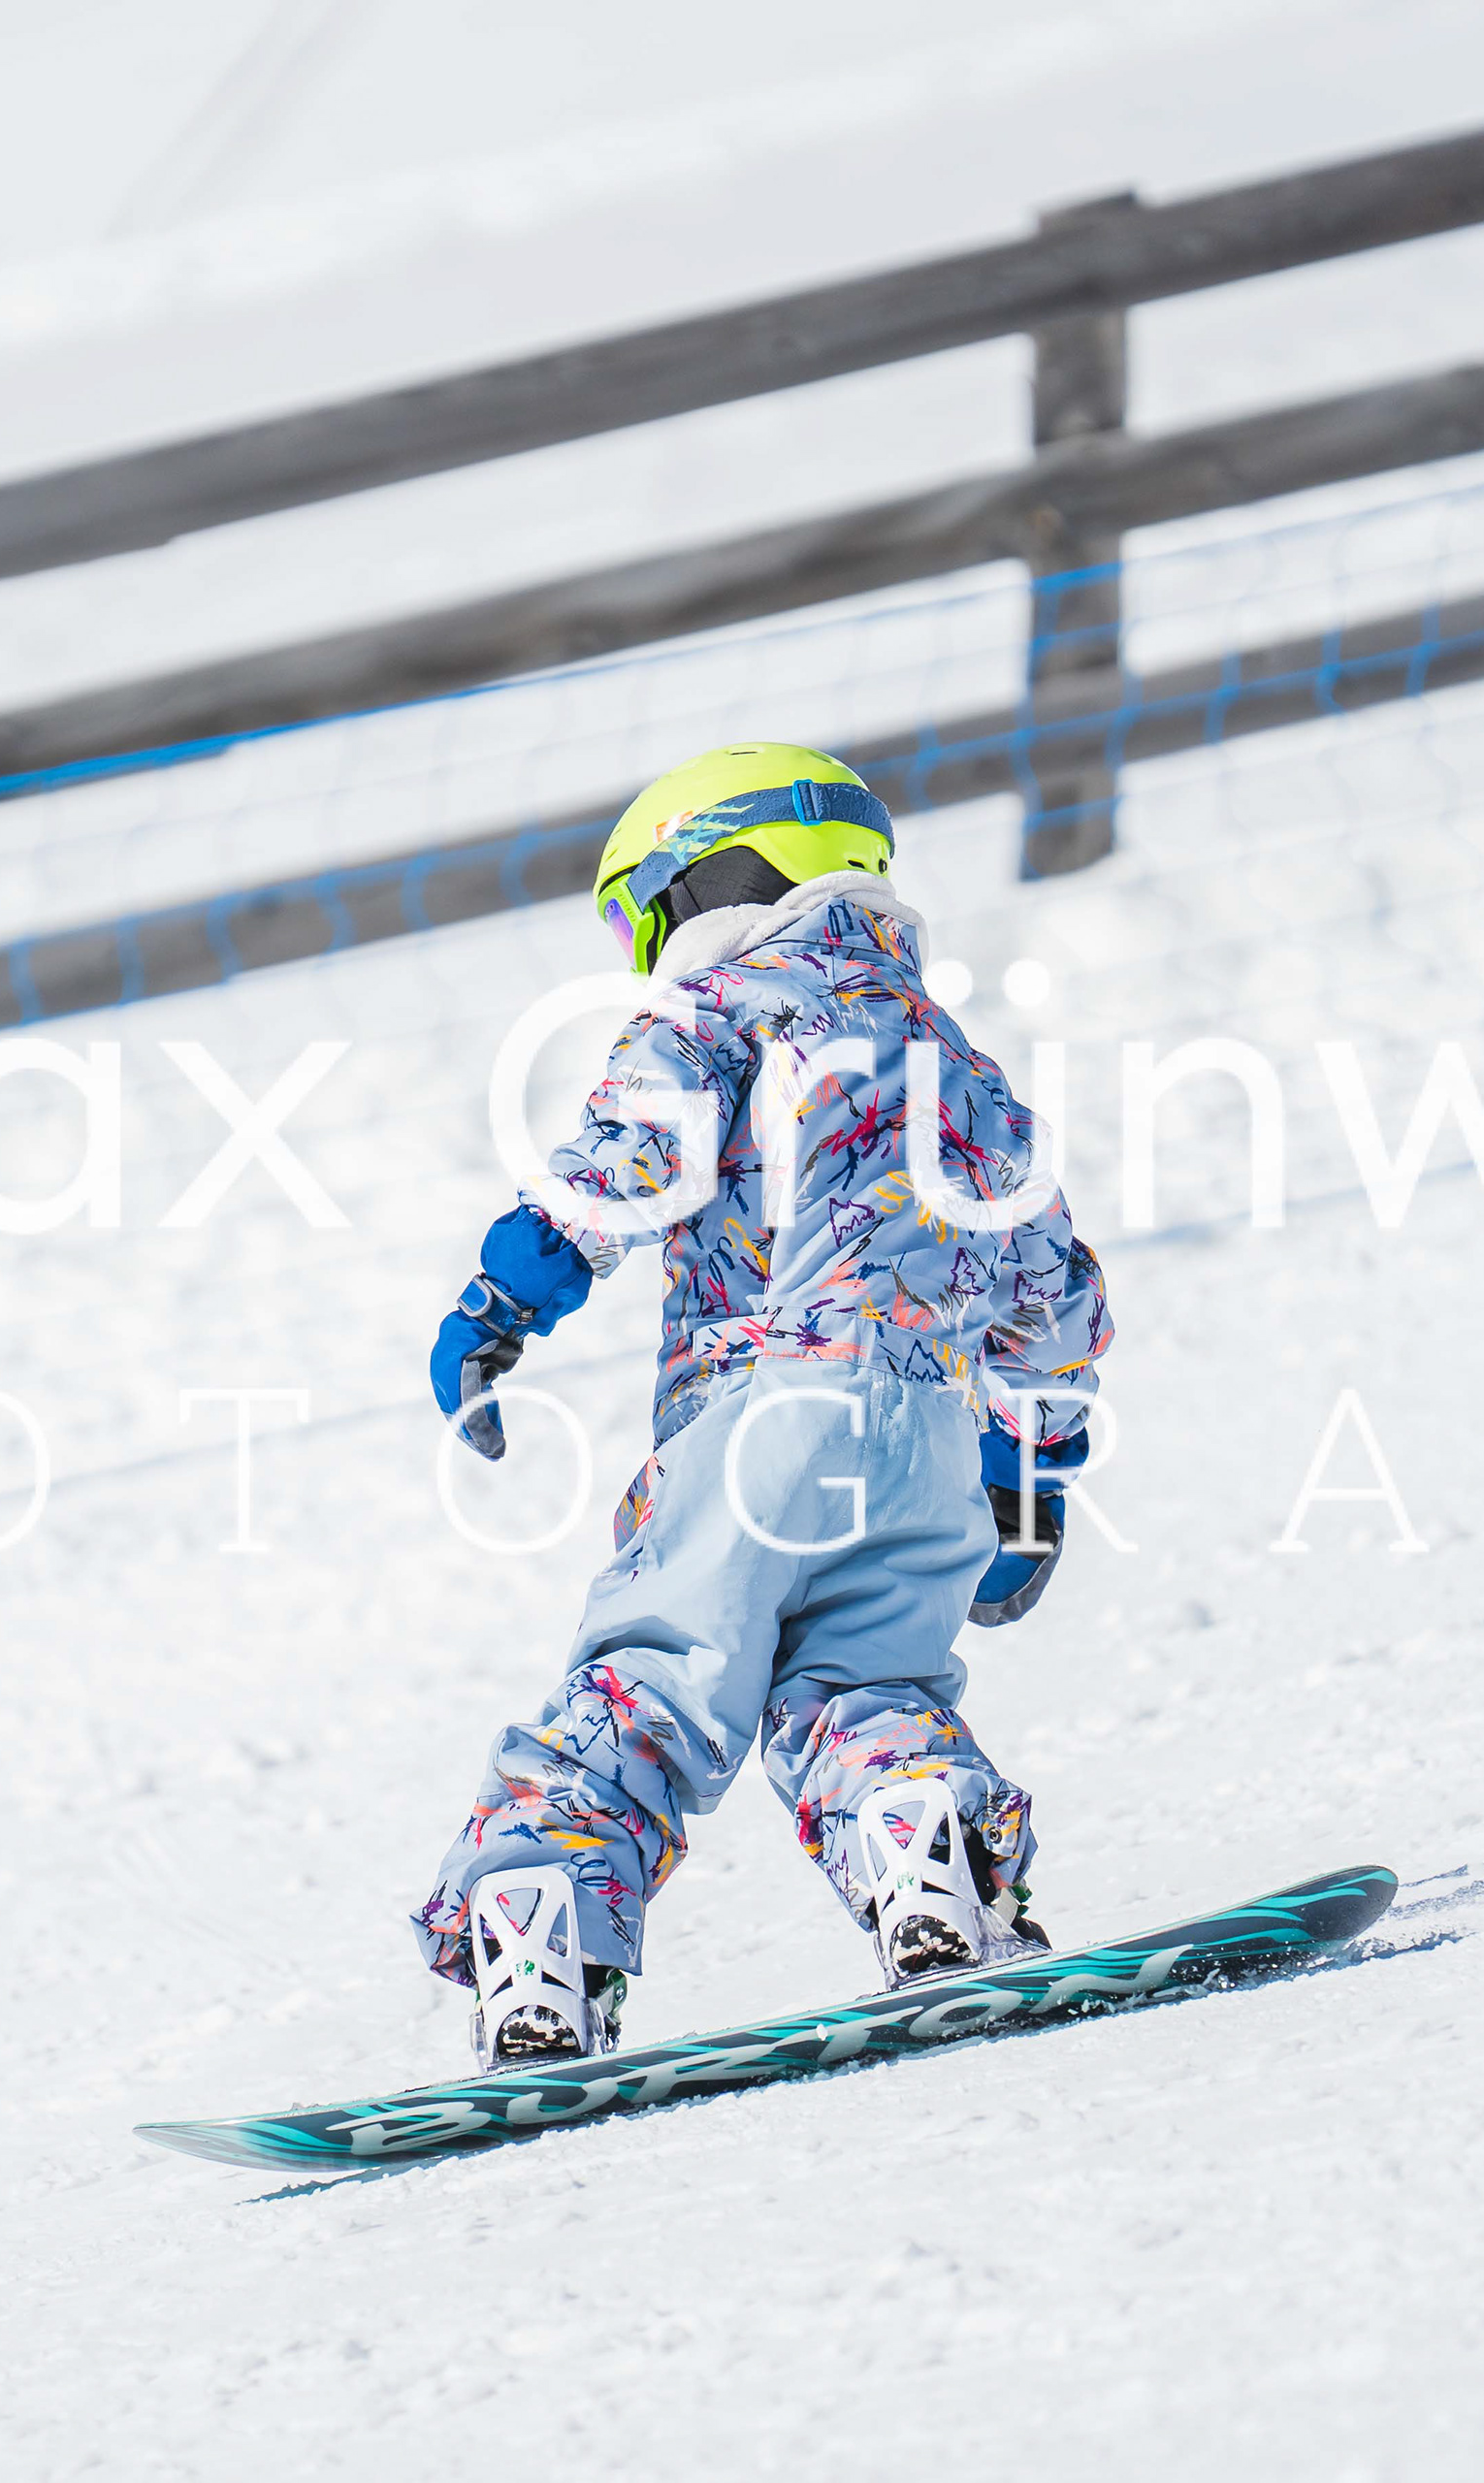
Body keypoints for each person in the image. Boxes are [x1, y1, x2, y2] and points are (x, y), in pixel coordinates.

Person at [411, 743, 1113, 2065]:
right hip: (924, 1442)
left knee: (653, 1689)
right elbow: (1051, 1281)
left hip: (756, 1419)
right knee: (866, 1682)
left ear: (698, 882)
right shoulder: (954, 1059)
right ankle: (927, 1856)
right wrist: (1029, 1471)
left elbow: (631, 1154)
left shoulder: (717, 1009)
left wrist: (504, 1299)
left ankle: (541, 1919)